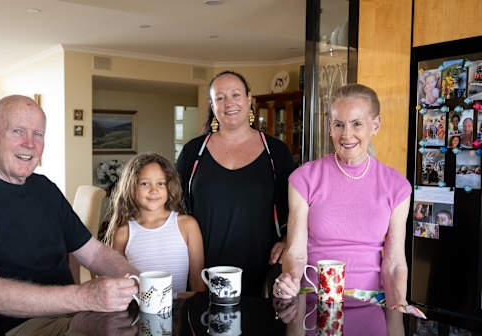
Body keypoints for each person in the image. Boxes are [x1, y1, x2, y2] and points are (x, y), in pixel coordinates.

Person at [0, 95, 139, 336]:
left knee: (147, 332)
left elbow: (94, 253)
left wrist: (143, 282)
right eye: (17, 131)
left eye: (38, 134)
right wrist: (84, 296)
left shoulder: (45, 189)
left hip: (68, 315)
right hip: (17, 330)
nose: (29, 144)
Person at [273, 84, 412, 313]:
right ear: (330, 127)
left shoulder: (396, 186)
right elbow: (296, 252)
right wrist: (290, 281)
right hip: (313, 303)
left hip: (371, 304)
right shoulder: (303, 178)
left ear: (375, 125)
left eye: (357, 123)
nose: (346, 135)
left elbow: (395, 262)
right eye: (339, 125)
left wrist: (399, 307)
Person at [176, 70, 296, 297]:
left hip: (262, 270)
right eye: (220, 98)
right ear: (213, 106)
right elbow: (175, 208)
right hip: (201, 270)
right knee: (204, 330)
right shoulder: (193, 151)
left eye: (236, 95)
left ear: (249, 98)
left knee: (256, 331)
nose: (229, 103)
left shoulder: (276, 152)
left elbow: (295, 209)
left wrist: (286, 240)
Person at [104, 152, 205, 293]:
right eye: (145, 183)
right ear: (131, 187)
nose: (154, 190)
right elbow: (116, 283)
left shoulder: (187, 225)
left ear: (170, 187)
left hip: (179, 311)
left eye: (160, 183)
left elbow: (197, 282)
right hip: (139, 312)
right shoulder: (123, 233)